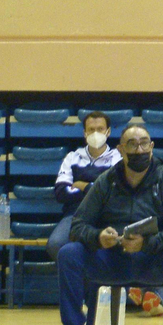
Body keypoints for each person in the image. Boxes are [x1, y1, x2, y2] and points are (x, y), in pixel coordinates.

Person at [53, 126, 163, 325]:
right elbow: (77, 227)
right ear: (120, 149)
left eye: (144, 143)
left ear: (152, 147)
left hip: (151, 260)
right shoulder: (105, 181)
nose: (139, 149)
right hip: (111, 259)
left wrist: (148, 243)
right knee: (68, 253)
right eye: (132, 144)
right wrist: (98, 237)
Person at [46, 111, 121, 261]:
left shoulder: (117, 159)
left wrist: (82, 185)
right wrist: (96, 188)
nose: (95, 133)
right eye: (91, 130)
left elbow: (115, 192)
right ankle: (81, 280)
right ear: (84, 133)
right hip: (76, 214)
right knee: (55, 244)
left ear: (108, 132)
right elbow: (61, 192)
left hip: (107, 215)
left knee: (117, 245)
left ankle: (100, 281)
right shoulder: (72, 157)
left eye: (100, 129)